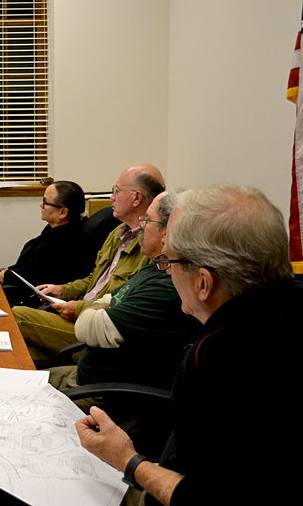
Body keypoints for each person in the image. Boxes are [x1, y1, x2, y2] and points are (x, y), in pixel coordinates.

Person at [76, 184, 299, 505]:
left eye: (169, 262)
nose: (165, 270)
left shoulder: (217, 360)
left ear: (204, 283)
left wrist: (126, 459)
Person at [48, 191, 198, 400]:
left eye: (147, 220)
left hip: (102, 397)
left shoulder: (168, 285)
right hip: (85, 379)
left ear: (167, 232)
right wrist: (100, 305)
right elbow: (105, 297)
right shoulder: (153, 268)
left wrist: (100, 308)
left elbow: (88, 324)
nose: (141, 226)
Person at [13, 164, 164, 367]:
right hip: (79, 314)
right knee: (15, 350)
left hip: (95, 327)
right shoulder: (118, 232)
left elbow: (125, 306)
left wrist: (80, 308)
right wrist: (63, 290)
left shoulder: (152, 248)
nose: (111, 197)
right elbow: (95, 279)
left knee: (16, 316)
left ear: (137, 198)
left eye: (116, 191)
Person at [0, 180, 95, 306]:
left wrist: (6, 275)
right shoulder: (56, 229)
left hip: (29, 294)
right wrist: (8, 272)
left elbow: (35, 276)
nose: (41, 205)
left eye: (45, 202)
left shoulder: (61, 241)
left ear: (63, 213)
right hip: (18, 276)